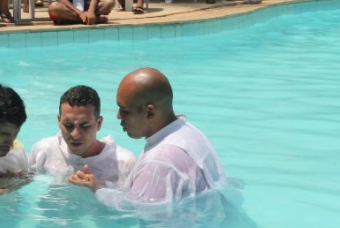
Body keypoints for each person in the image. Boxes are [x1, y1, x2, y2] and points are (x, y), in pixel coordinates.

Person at [69, 68, 226, 208]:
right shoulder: (189, 133)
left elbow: (135, 210)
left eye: (124, 110)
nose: (118, 116)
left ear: (150, 112)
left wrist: (98, 191)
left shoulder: (159, 161)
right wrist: (101, 185)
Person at [30, 85, 135, 188]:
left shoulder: (123, 162)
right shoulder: (44, 149)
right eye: (68, 125)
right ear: (59, 121)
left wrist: (100, 186)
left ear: (98, 123)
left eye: (84, 126)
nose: (75, 135)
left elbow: (133, 201)